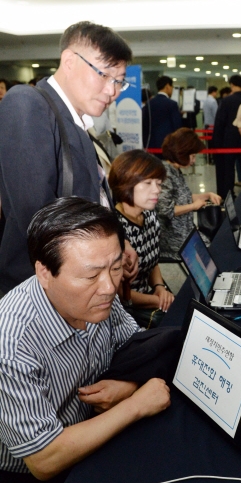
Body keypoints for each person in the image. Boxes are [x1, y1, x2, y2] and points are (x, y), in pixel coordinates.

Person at [0, 197, 172, 483]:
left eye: (115, 268)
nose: (109, 287)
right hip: (19, 481)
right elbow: (43, 460)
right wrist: (135, 405)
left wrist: (127, 387)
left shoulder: (98, 301)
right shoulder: (12, 343)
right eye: (91, 275)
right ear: (44, 272)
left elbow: (135, 345)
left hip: (89, 437)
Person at [0, 20, 139, 296]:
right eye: (104, 75)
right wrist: (105, 255)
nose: (112, 91)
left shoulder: (74, 122)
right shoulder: (27, 102)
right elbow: (37, 216)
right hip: (43, 293)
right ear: (70, 61)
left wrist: (118, 245)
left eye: (119, 81)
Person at [110, 150, 175, 328]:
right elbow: (120, 294)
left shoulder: (149, 215)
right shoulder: (114, 229)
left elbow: (152, 260)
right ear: (125, 184)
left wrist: (160, 287)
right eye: (147, 183)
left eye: (158, 183)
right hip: (127, 309)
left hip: (150, 295)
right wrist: (157, 300)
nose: (157, 190)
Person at [157, 128, 221, 260]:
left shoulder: (174, 170)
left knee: (215, 244)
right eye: (192, 156)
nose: (193, 161)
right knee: (214, 250)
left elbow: (184, 197)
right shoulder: (166, 175)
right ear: (182, 153)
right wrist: (193, 206)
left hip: (184, 231)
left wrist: (207, 195)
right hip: (172, 238)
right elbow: (165, 210)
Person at [212, 75, 241, 199]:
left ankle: (228, 195)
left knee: (228, 169)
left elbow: (220, 123)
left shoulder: (226, 101)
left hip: (228, 140)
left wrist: (216, 142)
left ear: (231, 85)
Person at [142, 75, 182, 154]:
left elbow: (145, 126)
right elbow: (177, 127)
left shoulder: (149, 104)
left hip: (152, 146)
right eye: (172, 87)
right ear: (167, 86)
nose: (172, 89)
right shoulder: (172, 104)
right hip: (168, 146)